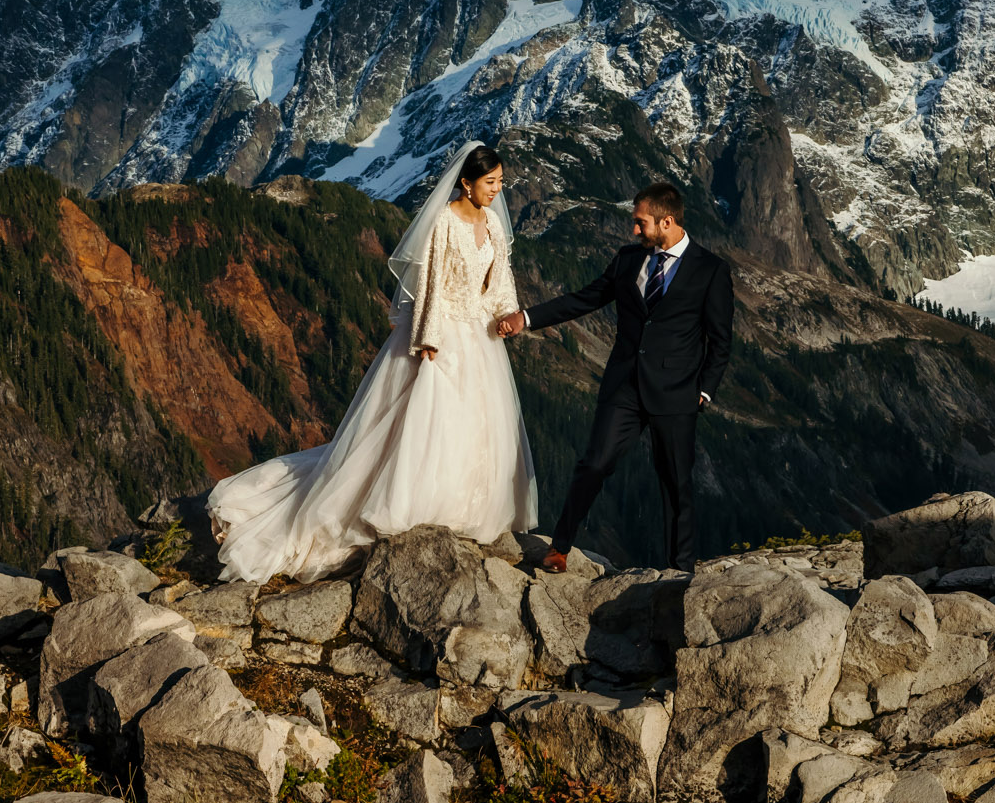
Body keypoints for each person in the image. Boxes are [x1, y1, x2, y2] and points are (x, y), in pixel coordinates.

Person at [209, 143, 537, 582]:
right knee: (428, 427)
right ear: (466, 182)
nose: (497, 190)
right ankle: (407, 507)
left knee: (476, 426)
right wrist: (428, 338)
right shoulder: (445, 221)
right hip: (442, 333)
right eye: (490, 182)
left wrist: (505, 315)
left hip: (480, 335)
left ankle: (466, 508)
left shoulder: (493, 223)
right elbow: (432, 283)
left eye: (500, 182)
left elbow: (499, 277)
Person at [496, 180, 732, 576]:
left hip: (677, 394)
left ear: (667, 221)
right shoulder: (627, 260)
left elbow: (720, 340)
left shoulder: (711, 270)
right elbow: (585, 298)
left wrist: (703, 392)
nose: (634, 230)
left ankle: (680, 571)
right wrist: (527, 318)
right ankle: (560, 547)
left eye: (641, 223)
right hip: (623, 386)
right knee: (593, 464)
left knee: (676, 484)